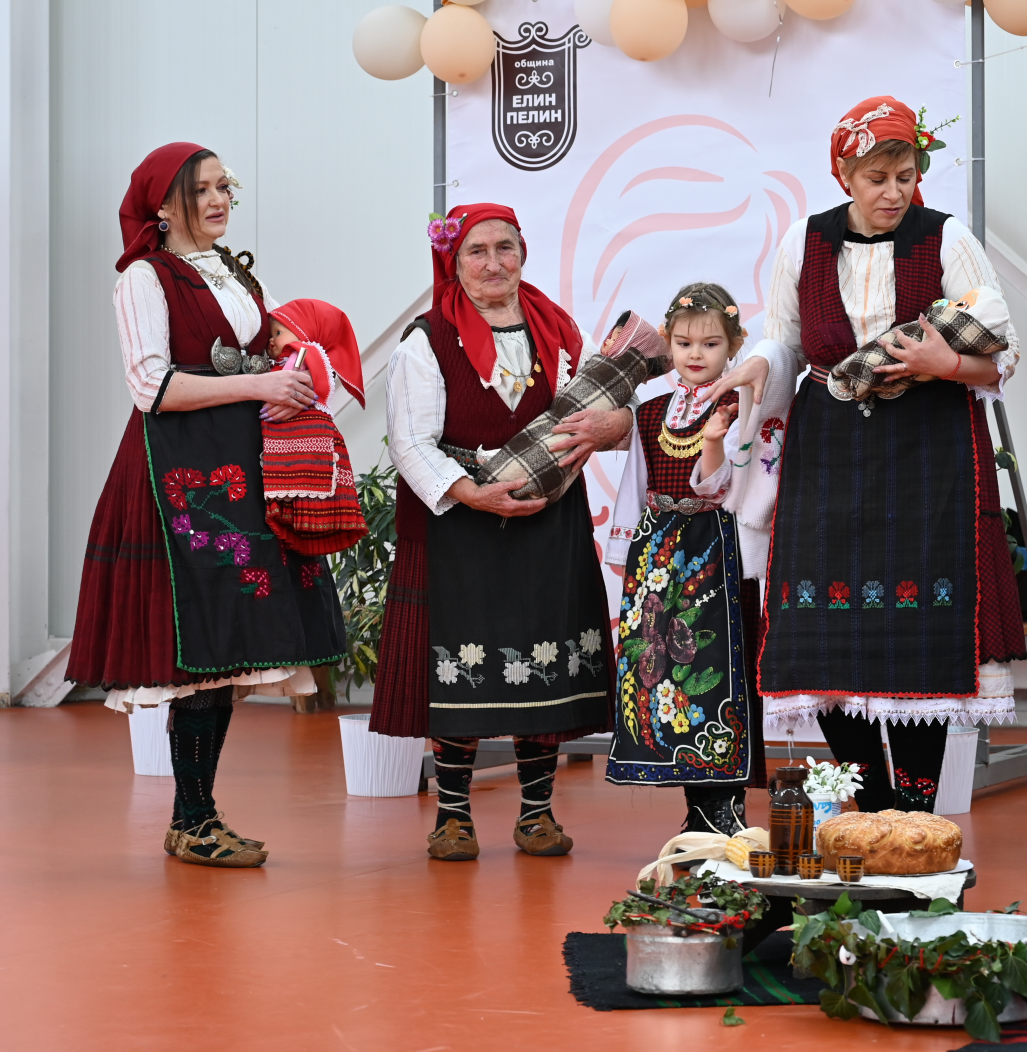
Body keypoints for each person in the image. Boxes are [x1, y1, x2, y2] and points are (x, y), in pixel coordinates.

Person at [706, 96, 1026, 813]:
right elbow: (785, 343)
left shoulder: (947, 239)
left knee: (923, 626)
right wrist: (758, 366)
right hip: (830, 450)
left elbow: (1002, 353)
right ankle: (873, 802)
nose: (893, 192)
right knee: (820, 627)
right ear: (844, 174)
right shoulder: (805, 242)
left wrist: (945, 363)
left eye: (905, 176)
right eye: (877, 177)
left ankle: (914, 811)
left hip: (930, 451)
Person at [67, 143, 346, 869]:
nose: (220, 200)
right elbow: (151, 387)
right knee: (201, 650)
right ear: (163, 204)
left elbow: (256, 354)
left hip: (239, 468)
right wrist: (258, 386)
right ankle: (194, 819)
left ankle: (196, 816)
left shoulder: (232, 269)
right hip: (180, 477)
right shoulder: (144, 277)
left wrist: (293, 361)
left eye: (226, 187)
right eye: (202, 189)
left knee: (227, 652)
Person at [368, 203, 632, 862]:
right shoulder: (426, 340)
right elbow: (410, 441)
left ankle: (536, 814)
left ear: (523, 253)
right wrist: (471, 493)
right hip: (460, 525)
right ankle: (453, 817)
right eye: (477, 251)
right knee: (460, 663)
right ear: (454, 262)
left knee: (543, 660)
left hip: (548, 519)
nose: (493, 263)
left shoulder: (559, 330)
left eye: (504, 247)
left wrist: (608, 430)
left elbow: (597, 414)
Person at [603, 283, 788, 836]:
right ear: (668, 342)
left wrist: (712, 440)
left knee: (717, 673)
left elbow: (719, 486)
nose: (696, 354)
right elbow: (636, 485)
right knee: (665, 680)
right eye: (684, 343)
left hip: (716, 550)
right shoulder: (650, 412)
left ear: (735, 344)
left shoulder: (743, 405)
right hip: (657, 554)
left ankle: (724, 805)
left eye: (711, 343)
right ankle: (697, 807)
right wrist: (627, 554)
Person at [260, 298, 369, 556]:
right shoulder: (286, 360)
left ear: (303, 331)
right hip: (286, 437)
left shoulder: (306, 353)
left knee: (304, 475)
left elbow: (308, 379)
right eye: (270, 336)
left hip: (305, 433)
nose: (271, 341)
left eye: (278, 332)